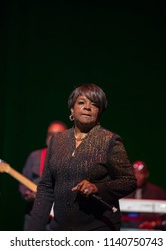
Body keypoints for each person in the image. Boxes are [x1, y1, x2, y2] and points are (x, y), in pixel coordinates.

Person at [27, 83, 137, 231]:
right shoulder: (57, 140)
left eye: (94, 104)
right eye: (81, 102)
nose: (87, 107)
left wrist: (97, 188)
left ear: (99, 112)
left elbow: (128, 181)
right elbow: (46, 187)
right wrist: (33, 232)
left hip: (97, 229)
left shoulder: (109, 140)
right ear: (72, 109)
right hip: (60, 230)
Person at [19, 120, 67, 230]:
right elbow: (23, 185)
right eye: (50, 134)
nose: (53, 138)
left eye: (58, 135)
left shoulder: (73, 159)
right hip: (35, 217)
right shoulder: (35, 156)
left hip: (61, 221)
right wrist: (29, 195)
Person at [121, 160, 166, 230]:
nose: (137, 176)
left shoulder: (157, 192)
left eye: (141, 173)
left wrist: (154, 224)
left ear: (146, 174)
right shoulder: (122, 191)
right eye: (135, 173)